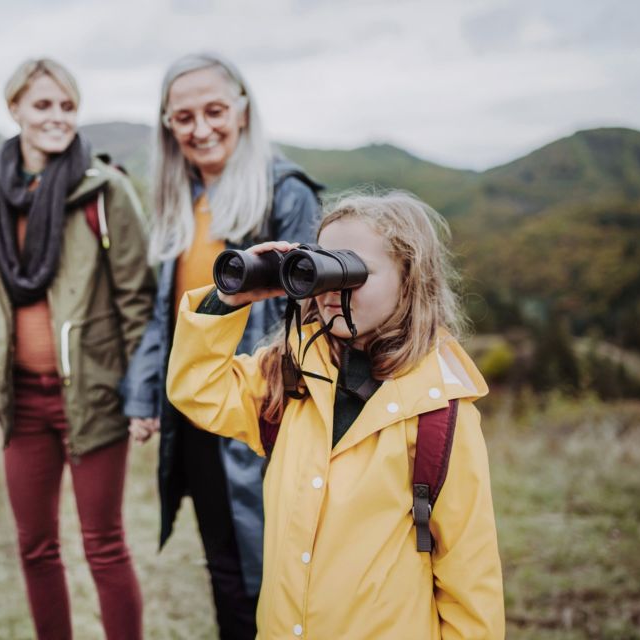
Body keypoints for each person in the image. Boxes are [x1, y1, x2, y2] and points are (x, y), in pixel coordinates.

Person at [165, 191, 505, 639]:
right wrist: (231, 297)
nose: (331, 291)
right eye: (322, 267)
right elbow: (196, 388)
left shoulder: (439, 414)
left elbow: (469, 581)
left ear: (409, 278)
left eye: (352, 270)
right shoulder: (290, 377)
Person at [123, 52, 322, 639]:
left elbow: (313, 314)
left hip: (263, 413)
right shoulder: (180, 197)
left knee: (273, 570)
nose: (201, 128)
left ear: (242, 110)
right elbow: (168, 314)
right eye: (183, 117)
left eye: (214, 111)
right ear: (167, 124)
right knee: (225, 568)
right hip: (198, 410)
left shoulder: (286, 193)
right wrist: (142, 395)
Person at [0, 57, 154, 640]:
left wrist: (142, 394)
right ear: (14, 108)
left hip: (93, 397)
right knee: (35, 547)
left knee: (104, 544)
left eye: (68, 106)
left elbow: (137, 302)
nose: (57, 117)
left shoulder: (104, 189)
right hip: (21, 399)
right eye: (43, 105)